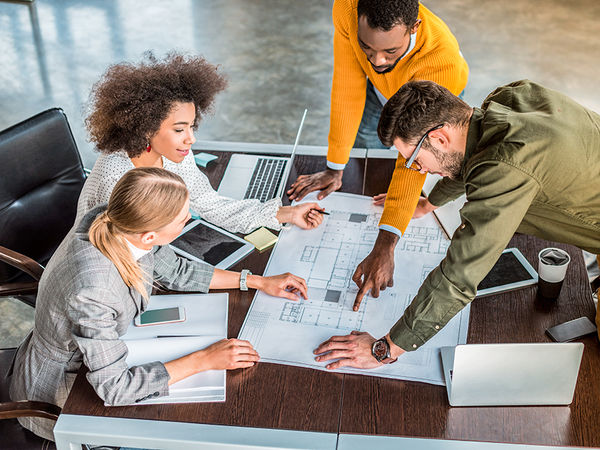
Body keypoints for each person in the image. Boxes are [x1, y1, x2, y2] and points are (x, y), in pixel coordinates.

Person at [314, 79, 600, 369]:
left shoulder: (506, 166)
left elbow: (459, 276)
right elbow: (473, 157)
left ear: (439, 138)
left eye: (413, 159)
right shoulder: (507, 99)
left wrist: (385, 348)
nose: (418, 169)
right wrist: (431, 203)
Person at [8, 168, 310, 440]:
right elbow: (116, 388)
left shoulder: (117, 219)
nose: (190, 220)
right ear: (150, 235)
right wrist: (204, 360)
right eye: (183, 219)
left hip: (97, 354)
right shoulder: (93, 289)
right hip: (62, 390)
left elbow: (176, 270)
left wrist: (257, 281)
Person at [78, 52, 323, 233]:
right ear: (145, 128)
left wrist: (286, 213)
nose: (191, 138)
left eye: (192, 126)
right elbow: (118, 254)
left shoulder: (174, 155)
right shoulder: (115, 183)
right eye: (179, 129)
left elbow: (208, 203)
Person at [287, 0, 468, 211]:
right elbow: (347, 86)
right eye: (366, 47)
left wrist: (399, 210)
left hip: (433, 90)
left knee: (421, 160)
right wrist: (335, 167)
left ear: (413, 28)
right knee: (366, 156)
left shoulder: (441, 63)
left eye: (390, 50)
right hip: (379, 90)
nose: (378, 61)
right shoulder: (347, 9)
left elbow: (415, 149)